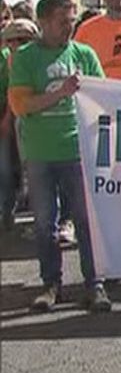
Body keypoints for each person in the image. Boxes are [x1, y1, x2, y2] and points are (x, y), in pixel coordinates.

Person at [8, 0, 111, 312]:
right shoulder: (25, 57)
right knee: (44, 223)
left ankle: (95, 285)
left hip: (78, 152)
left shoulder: (84, 53)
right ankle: (50, 285)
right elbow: (20, 105)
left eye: (72, 20)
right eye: (63, 21)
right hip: (40, 154)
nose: (70, 27)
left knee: (85, 221)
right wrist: (62, 93)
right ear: (43, 22)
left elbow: (104, 97)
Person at [1, 18, 39, 231]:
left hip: (33, 121)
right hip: (19, 120)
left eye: (22, 39)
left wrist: (8, 118)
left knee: (30, 170)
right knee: (23, 170)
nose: (16, 44)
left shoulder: (37, 58)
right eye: (11, 40)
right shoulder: (10, 60)